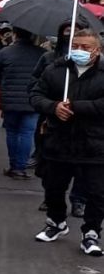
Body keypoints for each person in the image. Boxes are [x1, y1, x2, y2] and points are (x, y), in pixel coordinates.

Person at [31, 29, 104, 257]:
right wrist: (53, 107)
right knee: (53, 187)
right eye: (76, 46)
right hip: (58, 141)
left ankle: (91, 232)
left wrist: (75, 107)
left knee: (97, 193)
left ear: (97, 50)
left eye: (86, 47)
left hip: (94, 144)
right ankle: (56, 221)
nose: (79, 51)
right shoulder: (55, 69)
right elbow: (35, 95)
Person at [0, 28, 44, 179]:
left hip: (10, 99)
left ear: (15, 34)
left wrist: (3, 79)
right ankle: (21, 167)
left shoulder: (6, 52)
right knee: (28, 133)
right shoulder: (41, 53)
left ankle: (14, 165)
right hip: (33, 99)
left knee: (12, 132)